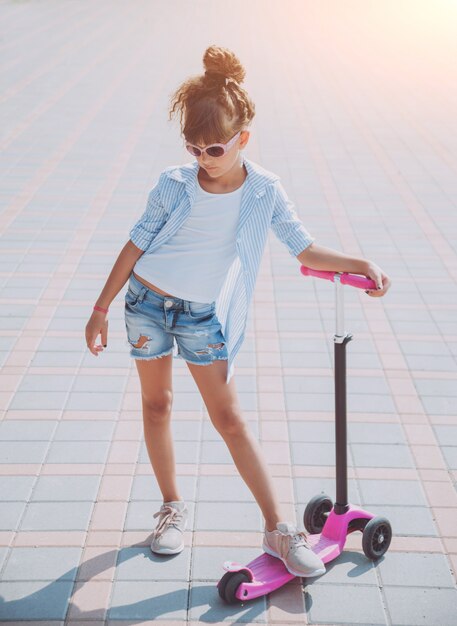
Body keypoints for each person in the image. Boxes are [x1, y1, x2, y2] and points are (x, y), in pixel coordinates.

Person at [85, 45, 391, 579]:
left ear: (242, 139)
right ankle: (172, 509)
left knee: (229, 418)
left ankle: (279, 529)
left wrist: (359, 261)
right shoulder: (173, 183)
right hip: (146, 304)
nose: (203, 157)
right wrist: (101, 306)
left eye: (215, 148)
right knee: (156, 405)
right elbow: (134, 243)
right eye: (193, 147)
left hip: (202, 316)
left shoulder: (264, 191)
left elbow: (303, 247)